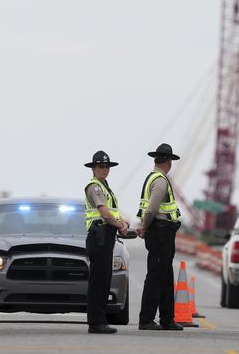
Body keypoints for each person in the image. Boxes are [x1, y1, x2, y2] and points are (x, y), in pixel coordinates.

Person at [136, 143, 183, 331]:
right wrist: (144, 226)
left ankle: (167, 318)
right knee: (156, 277)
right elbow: (152, 208)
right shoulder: (160, 180)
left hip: (162, 233)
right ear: (169, 161)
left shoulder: (152, 177)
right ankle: (146, 319)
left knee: (165, 276)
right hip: (160, 232)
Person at [83, 150, 129, 334]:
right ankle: (96, 322)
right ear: (93, 168)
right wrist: (120, 225)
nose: (105, 169)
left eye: (107, 166)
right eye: (101, 166)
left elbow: (112, 212)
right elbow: (103, 212)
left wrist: (123, 222)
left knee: (104, 280)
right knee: (98, 281)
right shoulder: (94, 187)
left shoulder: (105, 187)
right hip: (99, 237)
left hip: (106, 237)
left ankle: (100, 320)